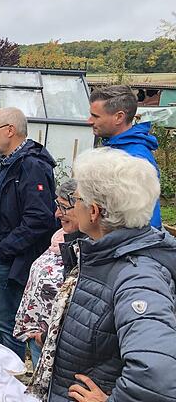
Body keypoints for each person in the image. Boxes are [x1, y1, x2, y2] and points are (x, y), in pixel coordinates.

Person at [47, 147, 176, 402]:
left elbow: (157, 377)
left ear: (94, 212)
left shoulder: (138, 278)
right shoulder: (106, 256)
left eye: (78, 199)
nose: (74, 206)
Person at [0, 107, 58, 360]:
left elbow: (39, 218)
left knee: (9, 323)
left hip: (13, 259)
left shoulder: (31, 166)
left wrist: (5, 248)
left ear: (10, 130)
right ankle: (2, 371)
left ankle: (8, 382)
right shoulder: (3, 165)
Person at [13, 180, 83, 368]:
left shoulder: (87, 249)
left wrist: (45, 335)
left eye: (63, 207)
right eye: (57, 205)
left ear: (86, 208)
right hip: (40, 337)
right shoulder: (61, 237)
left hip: (58, 344)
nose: (57, 213)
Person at [87, 85, 161, 228]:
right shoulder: (116, 148)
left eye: (95, 116)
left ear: (119, 117)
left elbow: (140, 221)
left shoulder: (134, 159)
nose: (89, 121)